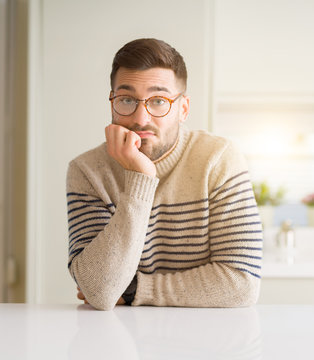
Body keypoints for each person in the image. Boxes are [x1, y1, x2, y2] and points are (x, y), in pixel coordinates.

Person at [67, 38, 262, 310]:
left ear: (183, 109)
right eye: (126, 99)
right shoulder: (87, 170)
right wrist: (141, 179)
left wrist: (135, 289)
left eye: (158, 101)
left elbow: (241, 284)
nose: (141, 118)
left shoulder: (218, 158)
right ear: (112, 103)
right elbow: (99, 291)